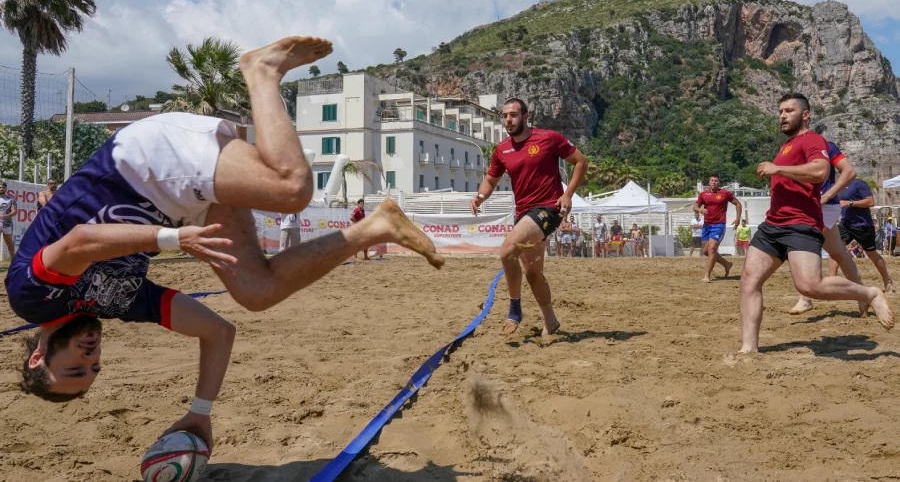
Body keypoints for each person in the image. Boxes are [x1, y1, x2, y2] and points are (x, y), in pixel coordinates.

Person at [4, 36, 443, 450]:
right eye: (94, 370)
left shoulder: (33, 299)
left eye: (76, 368)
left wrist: (174, 239)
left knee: (291, 188)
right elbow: (218, 332)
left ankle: (262, 70)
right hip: (177, 201)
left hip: (139, 167)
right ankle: (374, 227)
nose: (91, 358)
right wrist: (201, 411)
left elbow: (80, 242)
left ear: (38, 358)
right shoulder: (117, 304)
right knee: (256, 292)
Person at [738, 93, 892, 353]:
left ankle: (870, 294)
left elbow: (821, 170)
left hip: (801, 223)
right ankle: (748, 349)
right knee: (748, 281)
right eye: (780, 112)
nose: (782, 116)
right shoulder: (787, 145)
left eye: (788, 111)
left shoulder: (813, 140)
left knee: (810, 285)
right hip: (773, 223)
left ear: (805, 114)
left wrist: (778, 169)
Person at [470, 97, 587, 337]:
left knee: (506, 251)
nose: (508, 120)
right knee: (533, 274)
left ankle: (514, 310)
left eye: (513, 115)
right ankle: (551, 321)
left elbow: (581, 162)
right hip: (523, 214)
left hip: (548, 209)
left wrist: (567, 194)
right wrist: (481, 196)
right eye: (504, 116)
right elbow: (491, 180)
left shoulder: (548, 138)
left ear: (525, 117)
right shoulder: (502, 149)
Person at [788, 139, 864, 315]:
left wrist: (827, 195)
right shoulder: (792, 147)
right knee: (838, 252)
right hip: (806, 205)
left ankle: (805, 298)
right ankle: (863, 294)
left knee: (803, 246)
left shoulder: (826, 146)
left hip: (825, 206)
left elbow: (849, 172)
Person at [829, 178, 894, 294]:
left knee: (872, 254)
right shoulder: (839, 185)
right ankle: (830, 283)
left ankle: (887, 281)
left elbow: (870, 202)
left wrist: (850, 203)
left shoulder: (858, 183)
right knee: (835, 250)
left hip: (863, 226)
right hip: (846, 224)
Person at [693, 175, 742, 282]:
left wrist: (738, 218)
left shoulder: (725, 193)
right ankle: (727, 264)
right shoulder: (704, 194)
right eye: (712, 180)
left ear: (719, 183)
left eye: (716, 181)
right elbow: (695, 206)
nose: (714, 182)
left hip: (719, 225)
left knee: (712, 249)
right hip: (707, 226)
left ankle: (707, 276)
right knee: (706, 251)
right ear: (709, 182)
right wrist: (700, 210)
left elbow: (738, 204)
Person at [0, 180, 16, 259]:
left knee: (9, 243)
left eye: (3, 187)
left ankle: (13, 261)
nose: (1, 189)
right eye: (0, 187)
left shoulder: (10, 199)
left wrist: (8, 215)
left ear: (6, 189)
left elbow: (14, 211)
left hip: (7, 224)